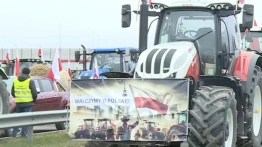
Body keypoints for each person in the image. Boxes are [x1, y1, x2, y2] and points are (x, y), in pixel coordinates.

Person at [11, 67, 38, 137]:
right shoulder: (30, 81)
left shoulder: (16, 80)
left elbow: (12, 92)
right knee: (26, 120)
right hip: (28, 103)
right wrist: (33, 100)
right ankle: (24, 135)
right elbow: (34, 93)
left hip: (19, 103)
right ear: (29, 73)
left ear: (22, 72)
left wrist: (18, 97)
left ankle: (14, 134)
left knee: (17, 120)